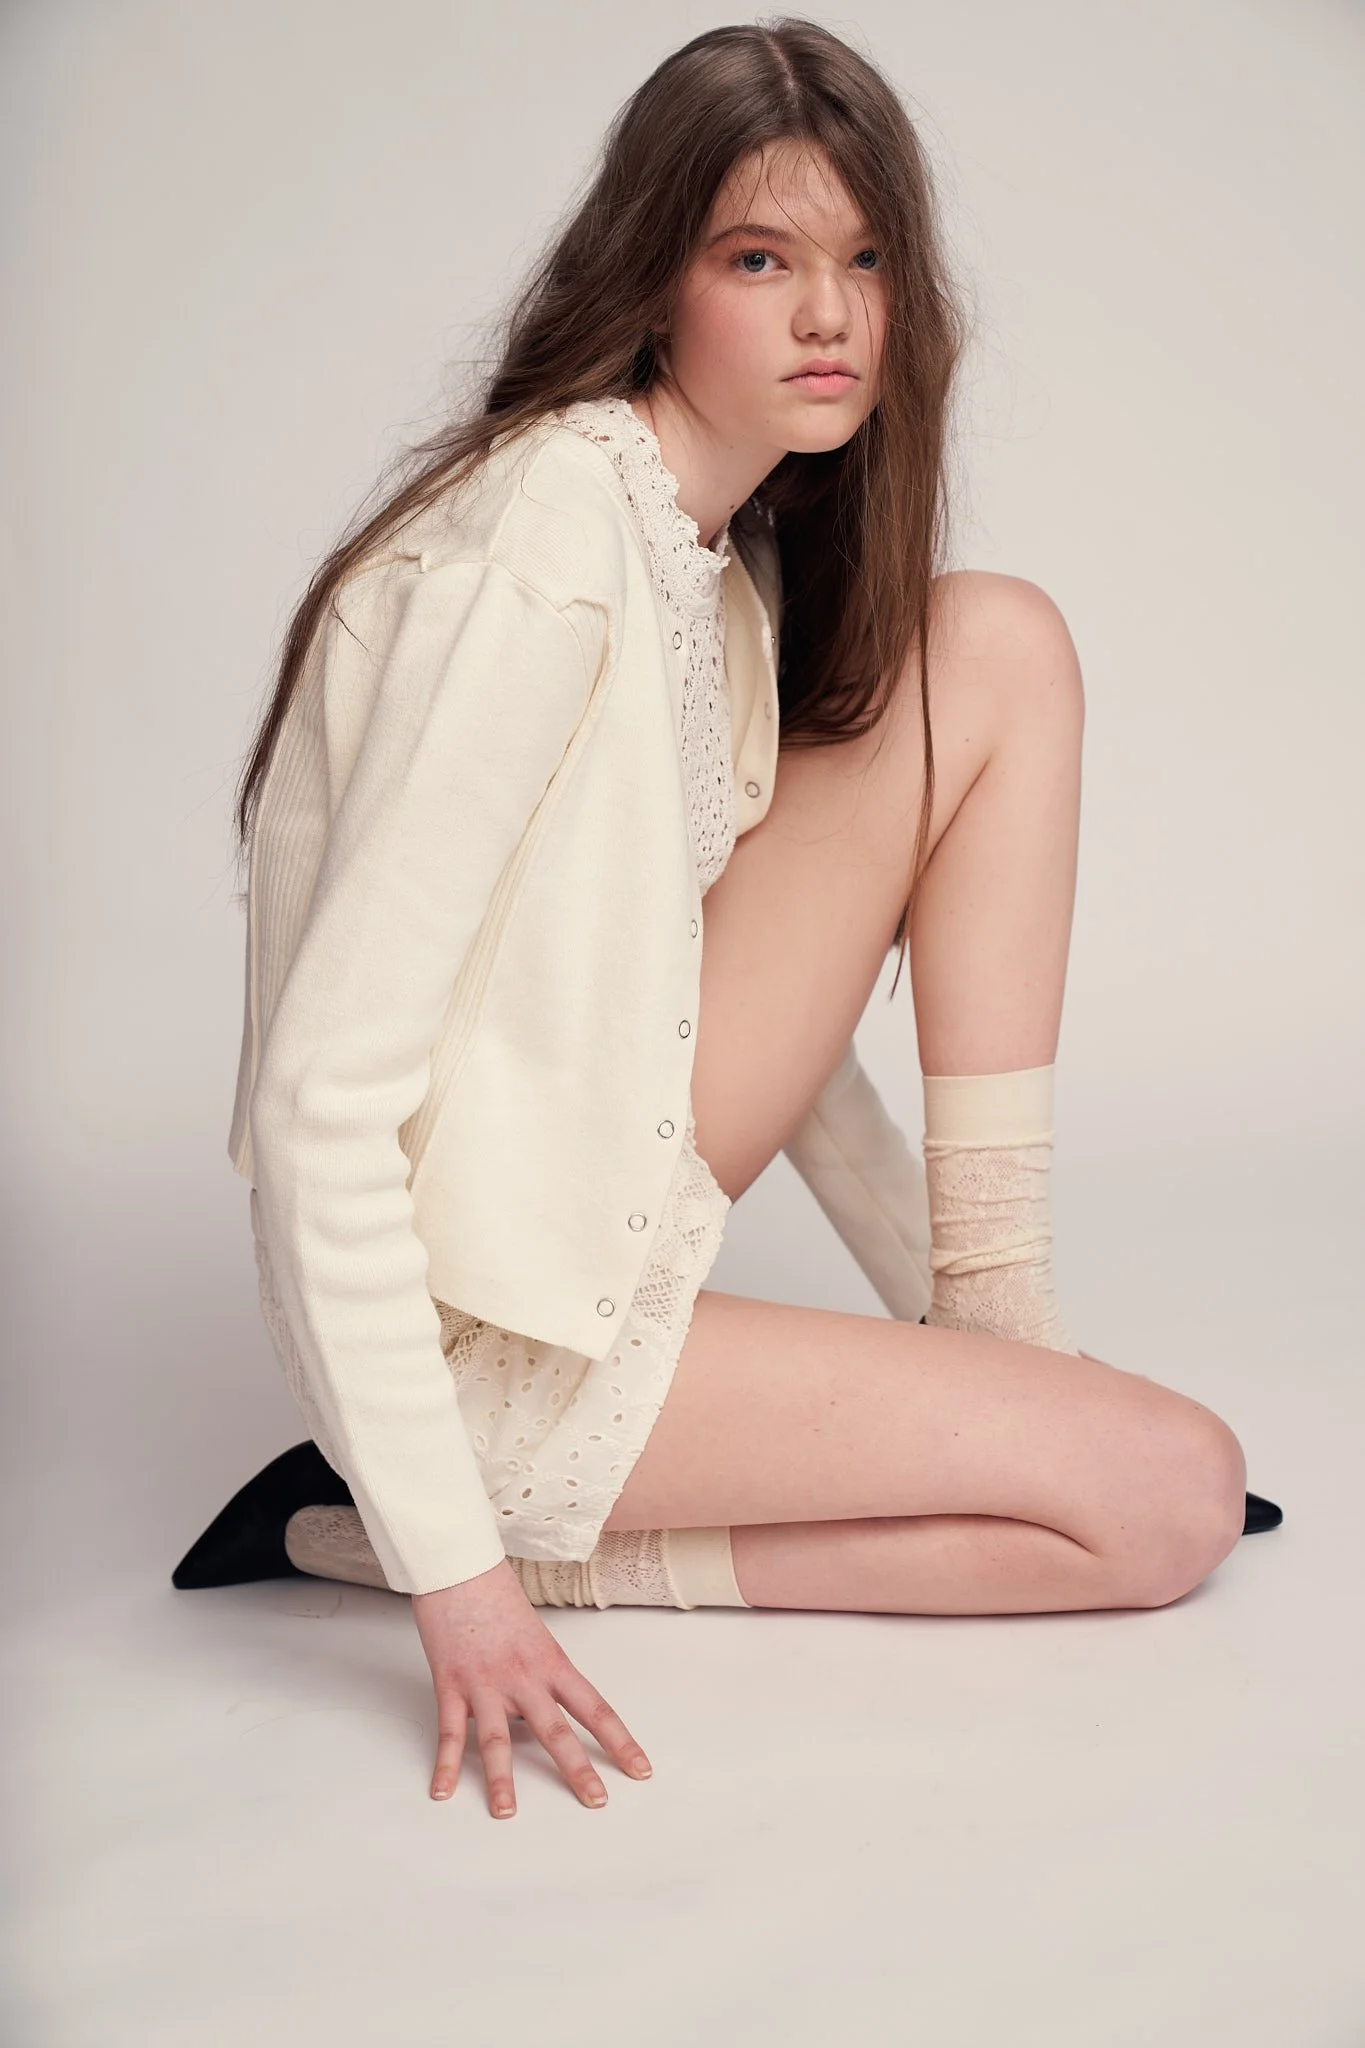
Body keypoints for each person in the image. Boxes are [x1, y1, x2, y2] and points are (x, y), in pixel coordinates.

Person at [174, 18, 1279, 1822]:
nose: (827, 315)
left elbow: (742, 1019)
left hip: (611, 1205)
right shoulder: (543, 551)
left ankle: (1006, 1333)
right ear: (655, 283)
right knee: (1172, 1498)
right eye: (759, 260)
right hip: (496, 1348)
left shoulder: (710, 559)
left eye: (864, 263)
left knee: (988, 639)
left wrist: (981, 1342)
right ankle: (456, 1541)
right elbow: (318, 1108)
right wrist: (458, 1578)